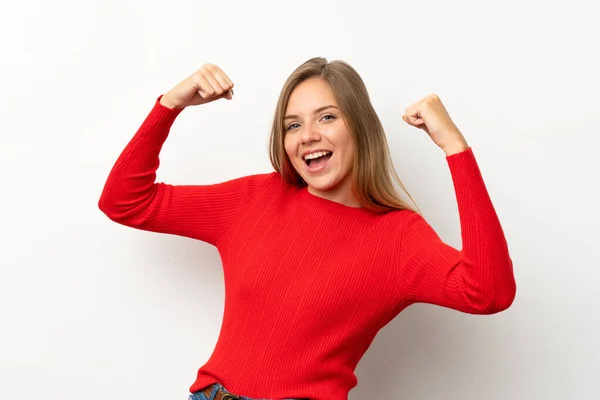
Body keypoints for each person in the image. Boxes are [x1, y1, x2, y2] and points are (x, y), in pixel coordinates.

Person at [98, 57, 517, 400]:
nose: (308, 136)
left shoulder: (398, 238)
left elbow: (490, 292)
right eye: (293, 125)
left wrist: (454, 147)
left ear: (360, 126)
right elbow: (124, 202)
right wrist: (170, 105)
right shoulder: (256, 199)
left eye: (327, 117)